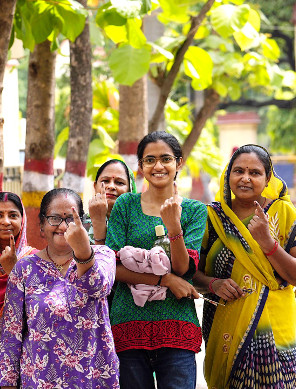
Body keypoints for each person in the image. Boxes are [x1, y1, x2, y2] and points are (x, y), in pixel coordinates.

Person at [106, 131, 207, 389]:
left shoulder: (194, 210)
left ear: (179, 163)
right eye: (149, 160)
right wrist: (165, 278)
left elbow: (184, 269)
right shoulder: (125, 205)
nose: (158, 166)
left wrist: (174, 228)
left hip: (176, 327)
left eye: (166, 159)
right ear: (140, 167)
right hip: (129, 324)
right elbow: (112, 267)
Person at [194, 145, 296, 388]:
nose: (245, 178)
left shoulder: (283, 213)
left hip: (277, 326)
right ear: (228, 175)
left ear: (268, 178)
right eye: (238, 171)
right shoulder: (212, 218)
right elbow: (189, 271)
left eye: (255, 172)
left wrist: (268, 243)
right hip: (225, 323)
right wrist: (212, 283)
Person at [0, 188, 119, 389]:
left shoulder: (103, 255)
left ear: (82, 222)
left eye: (70, 218)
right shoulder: (24, 269)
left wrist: (82, 251)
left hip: (92, 380)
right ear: (42, 225)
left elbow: (98, 286)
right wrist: (8, 384)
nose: (63, 226)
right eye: (54, 218)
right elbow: (11, 333)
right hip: (39, 381)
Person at [0, 192, 37, 389]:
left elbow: (35, 308)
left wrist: (14, 271)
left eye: (13, 215)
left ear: (22, 219)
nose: (6, 222)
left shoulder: (34, 259)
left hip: (21, 348)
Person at [87, 158, 136, 245]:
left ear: (130, 190)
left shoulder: (138, 226)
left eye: (119, 182)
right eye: (105, 181)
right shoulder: (80, 225)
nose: (111, 186)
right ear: (95, 186)